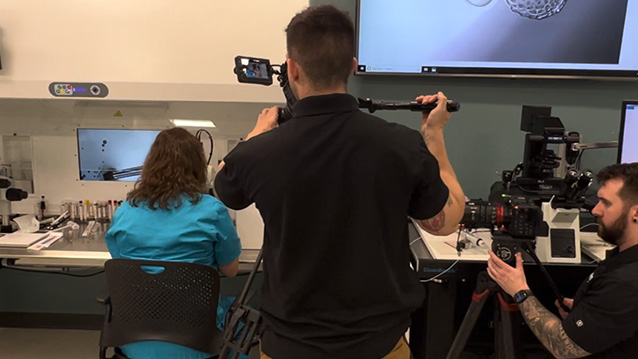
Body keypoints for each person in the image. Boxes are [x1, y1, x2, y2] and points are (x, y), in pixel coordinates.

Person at [214, 5, 465, 359]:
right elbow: (445, 223)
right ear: (351, 66)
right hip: (378, 348)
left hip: (287, 348)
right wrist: (434, 135)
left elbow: (223, 186)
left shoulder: (260, 152)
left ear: (292, 68)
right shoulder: (402, 145)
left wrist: (258, 133)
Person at [105, 127, 243, 359]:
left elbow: (121, 264)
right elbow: (231, 270)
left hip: (134, 339)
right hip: (197, 341)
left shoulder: (126, 210)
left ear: (150, 164)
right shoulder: (211, 209)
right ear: (198, 166)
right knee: (241, 318)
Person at [487, 163, 638, 358]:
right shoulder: (623, 258)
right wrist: (590, 316)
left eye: (606, 203)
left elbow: (564, 348)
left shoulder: (625, 283)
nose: (595, 211)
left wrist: (519, 291)